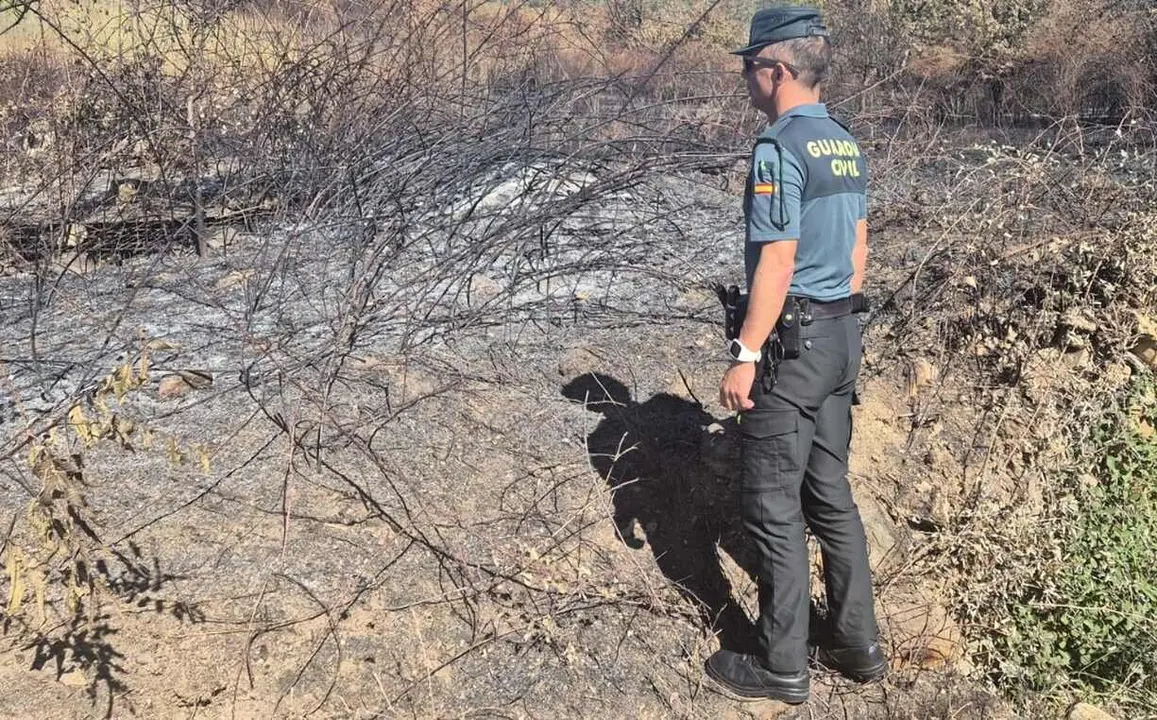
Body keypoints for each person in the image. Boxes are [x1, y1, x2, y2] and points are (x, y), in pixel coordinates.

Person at [706, 6, 886, 704]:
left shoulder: (778, 147)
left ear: (775, 70)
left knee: (772, 507)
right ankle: (856, 645)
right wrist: (832, 318)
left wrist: (748, 351)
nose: (746, 80)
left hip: (795, 343)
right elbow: (857, 248)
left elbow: (776, 260)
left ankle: (782, 665)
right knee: (830, 497)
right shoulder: (842, 142)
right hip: (840, 336)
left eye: (750, 67)